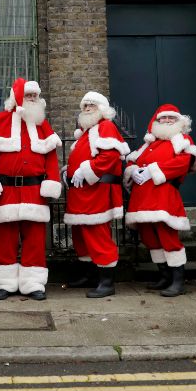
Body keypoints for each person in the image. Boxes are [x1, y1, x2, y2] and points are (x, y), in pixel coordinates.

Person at [0, 78, 62, 301]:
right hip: (5, 191)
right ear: (17, 98)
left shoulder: (43, 126)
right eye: (28, 96)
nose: (33, 100)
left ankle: (33, 283)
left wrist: (52, 182)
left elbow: (52, 158)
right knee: (4, 238)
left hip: (35, 191)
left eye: (35, 96)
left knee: (34, 238)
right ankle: (4, 283)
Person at [124, 104, 196, 297]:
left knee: (167, 237)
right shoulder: (148, 144)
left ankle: (178, 280)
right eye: (162, 118)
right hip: (142, 199)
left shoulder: (182, 140)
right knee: (149, 237)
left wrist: (152, 170)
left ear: (178, 121)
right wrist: (134, 171)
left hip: (164, 196)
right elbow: (132, 161)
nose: (166, 121)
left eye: (170, 119)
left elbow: (183, 163)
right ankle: (164, 275)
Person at [63, 91, 130, 298]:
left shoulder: (106, 126)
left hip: (96, 192)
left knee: (97, 235)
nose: (87, 108)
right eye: (85, 105)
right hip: (82, 194)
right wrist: (69, 172)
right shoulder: (86, 132)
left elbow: (109, 156)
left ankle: (107, 281)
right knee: (81, 235)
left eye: (92, 105)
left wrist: (86, 170)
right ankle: (90, 274)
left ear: (103, 108)